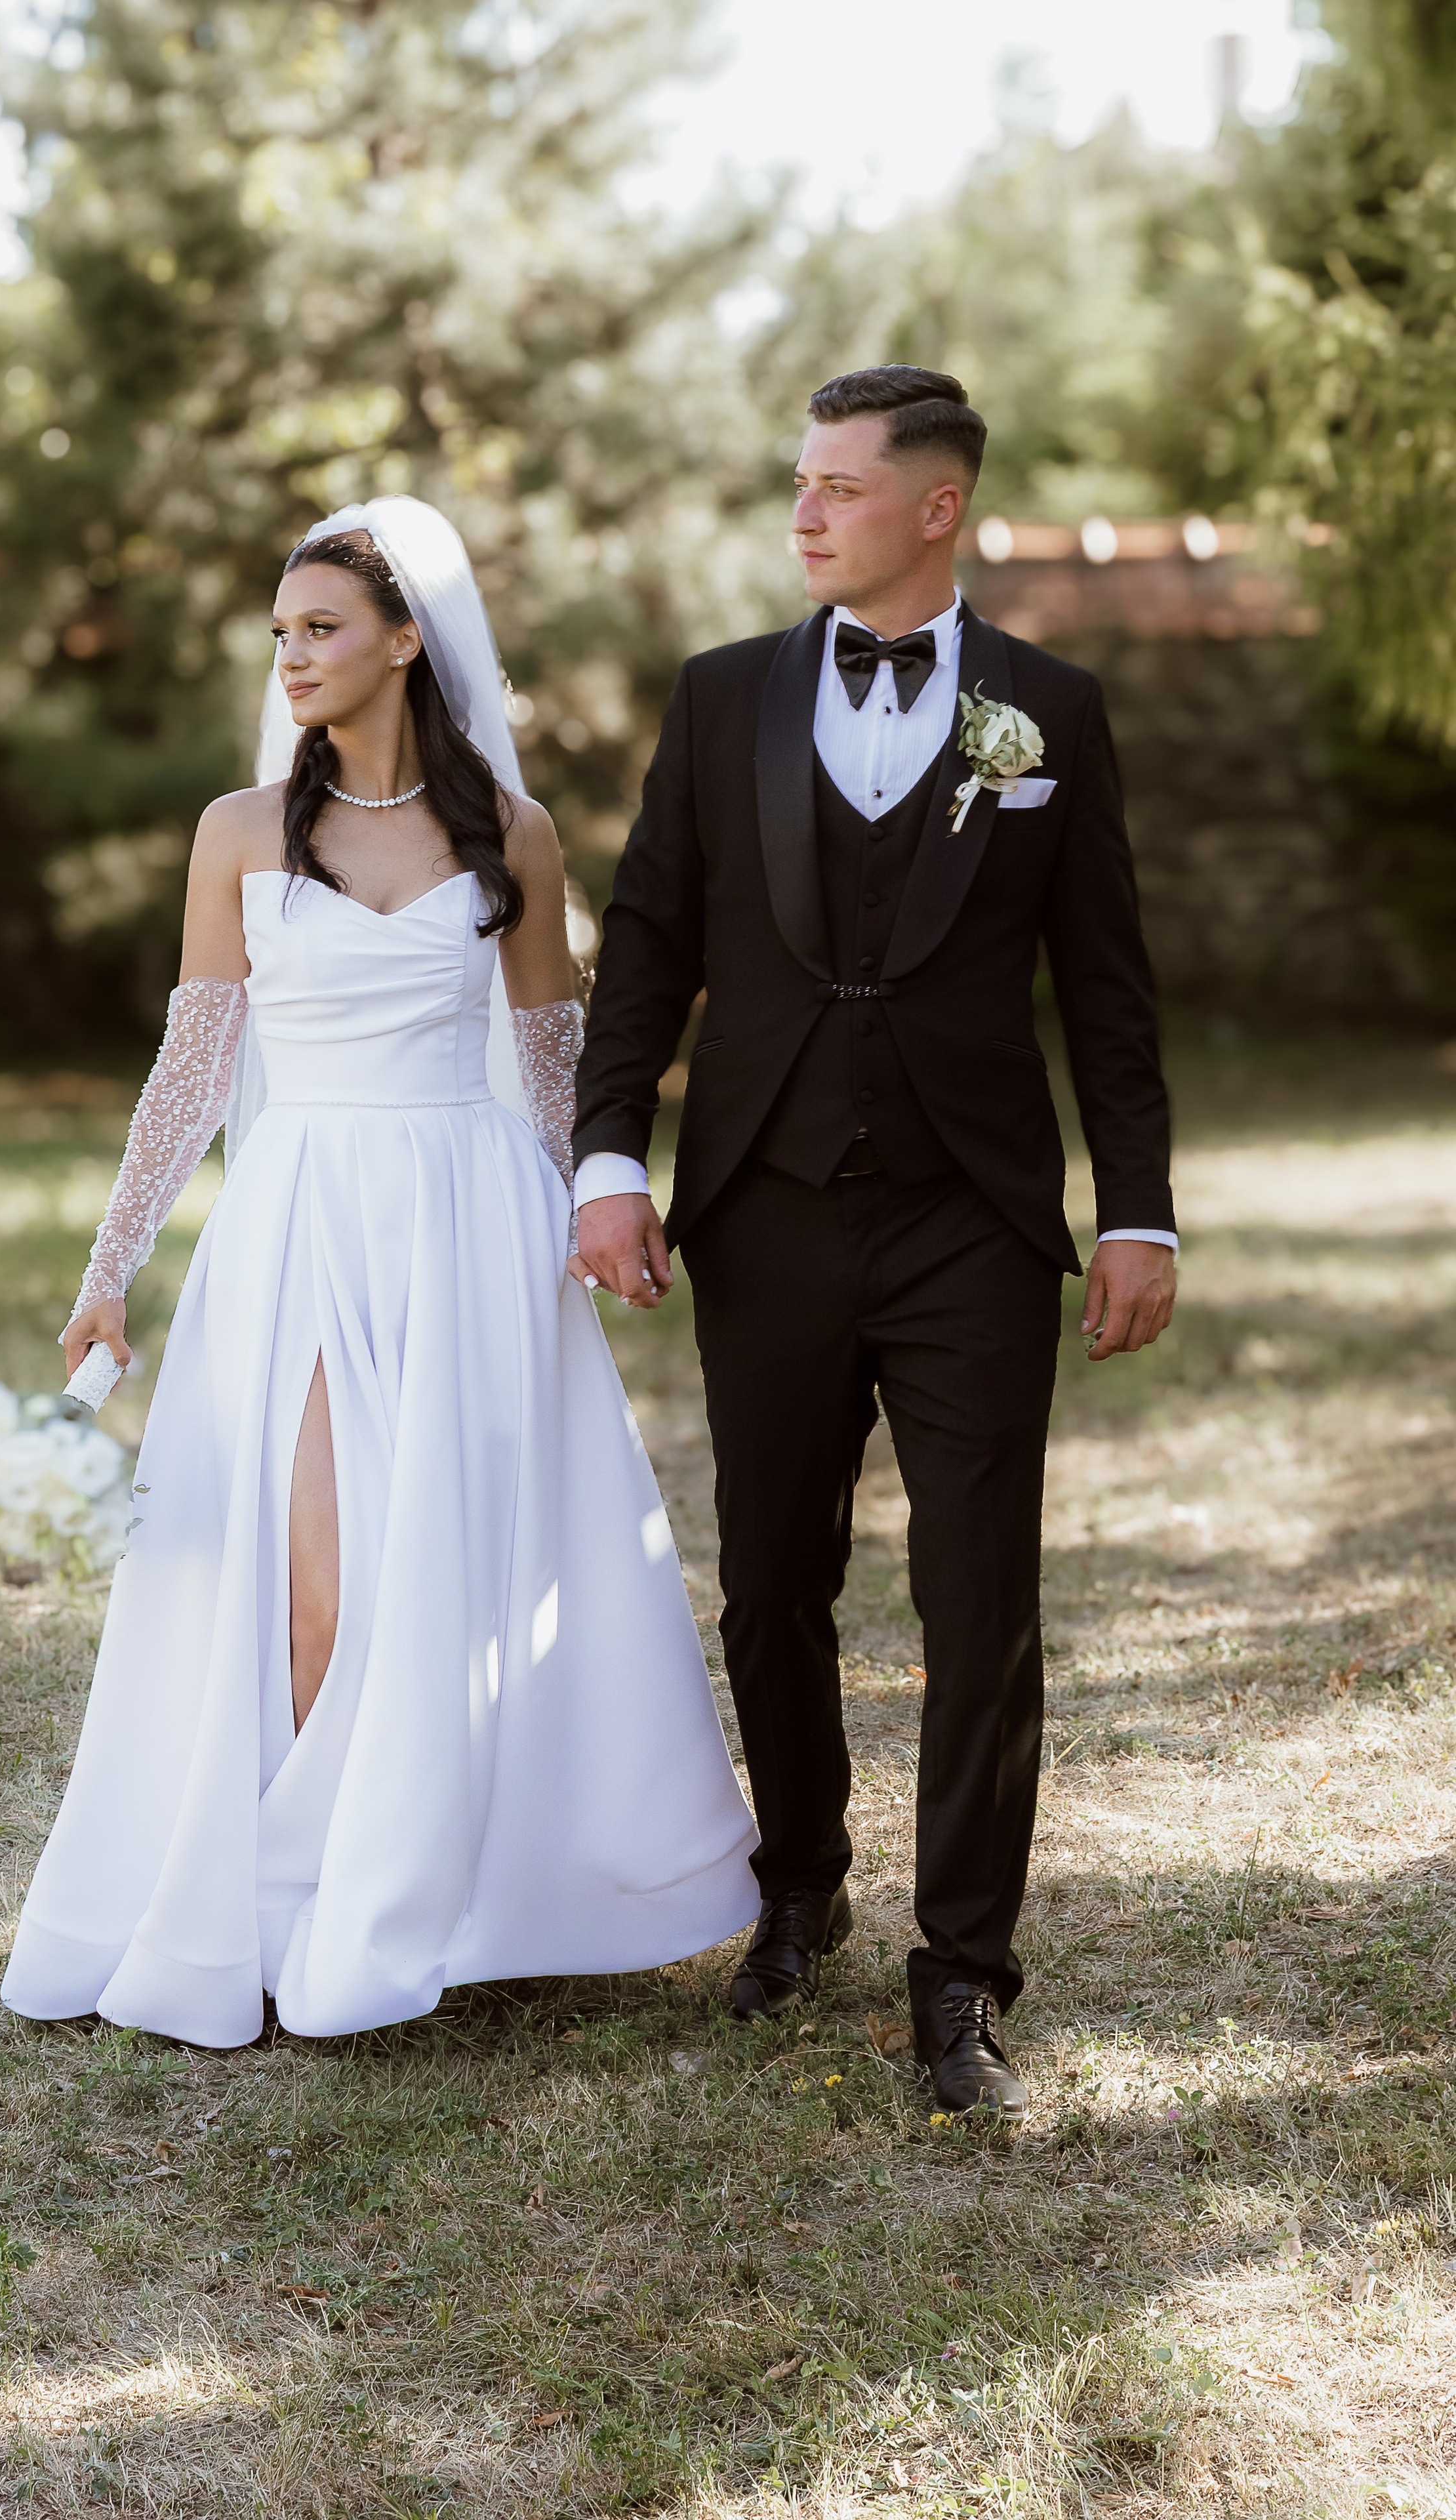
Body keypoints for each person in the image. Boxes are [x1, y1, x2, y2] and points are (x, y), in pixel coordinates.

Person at [1, 497, 758, 2052]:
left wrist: (594, 1214)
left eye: (323, 627)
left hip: (471, 1229)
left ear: (406, 638)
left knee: (450, 1570)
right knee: (310, 1578)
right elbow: (191, 1071)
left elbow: (556, 1067)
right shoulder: (236, 832)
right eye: (280, 631)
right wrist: (111, 1264)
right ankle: (279, 1905)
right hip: (298, 1226)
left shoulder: (513, 837)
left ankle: (426, 1888)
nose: (293, 655)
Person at [572, 368, 1177, 2117]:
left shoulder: (1047, 711)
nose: (805, 513)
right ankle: (801, 1885)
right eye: (800, 481)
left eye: (840, 486)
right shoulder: (725, 700)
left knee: (982, 1596)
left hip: (973, 1219)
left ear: (939, 507)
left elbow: (1111, 992)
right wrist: (610, 1160)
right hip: (761, 1209)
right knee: (773, 1578)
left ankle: (965, 1968)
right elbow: (646, 952)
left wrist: (1133, 1207)